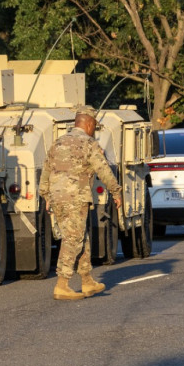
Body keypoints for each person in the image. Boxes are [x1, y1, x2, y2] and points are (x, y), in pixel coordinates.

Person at [39, 106, 123, 300]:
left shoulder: (57, 143)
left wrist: (45, 195)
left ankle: (87, 281)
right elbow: (103, 170)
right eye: (94, 126)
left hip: (57, 197)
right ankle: (62, 284)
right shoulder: (89, 144)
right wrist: (116, 192)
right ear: (89, 123)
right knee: (73, 239)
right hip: (76, 198)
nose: (94, 130)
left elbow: (46, 170)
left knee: (79, 236)